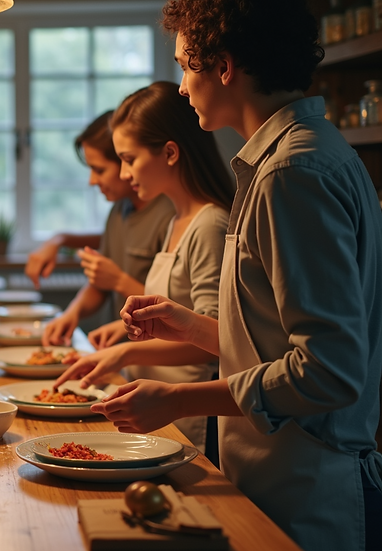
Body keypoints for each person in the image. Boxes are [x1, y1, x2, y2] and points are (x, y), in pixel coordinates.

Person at [99, 2, 382, 549]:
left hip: (305, 483)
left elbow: (328, 371)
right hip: (280, 473)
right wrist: (193, 327)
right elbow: (278, 343)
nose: (182, 87)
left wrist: (179, 400)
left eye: (186, 65)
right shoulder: (293, 157)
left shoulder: (292, 172)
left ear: (223, 67)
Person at [51, 81, 232, 455]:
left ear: (169, 153)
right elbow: (177, 316)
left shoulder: (210, 223)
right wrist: (123, 333)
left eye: (129, 159)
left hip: (186, 418)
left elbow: (216, 346)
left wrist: (127, 352)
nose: (124, 173)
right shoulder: (176, 221)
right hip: (152, 409)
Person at [30, 112, 174, 349]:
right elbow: (100, 285)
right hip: (128, 360)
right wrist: (71, 314)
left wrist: (117, 280)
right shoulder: (120, 209)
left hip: (163, 368)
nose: (92, 181)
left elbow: (180, 312)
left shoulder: (170, 213)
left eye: (99, 170)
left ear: (126, 161)